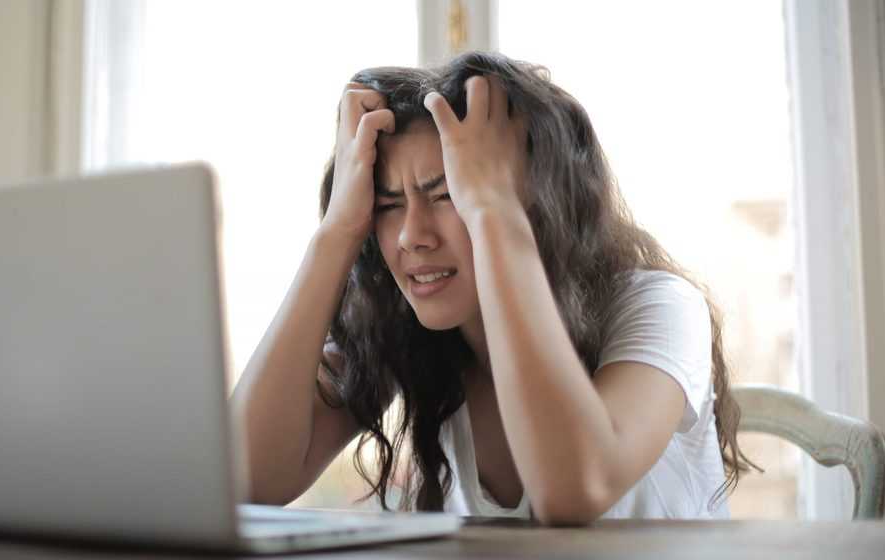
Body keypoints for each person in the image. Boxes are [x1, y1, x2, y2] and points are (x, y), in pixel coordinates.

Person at [231, 51, 755, 524]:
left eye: (449, 195)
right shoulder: (408, 333)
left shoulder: (660, 306)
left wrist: (493, 212)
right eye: (387, 206)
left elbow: (575, 489)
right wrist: (336, 232)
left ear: (535, 201)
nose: (413, 236)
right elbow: (244, 480)